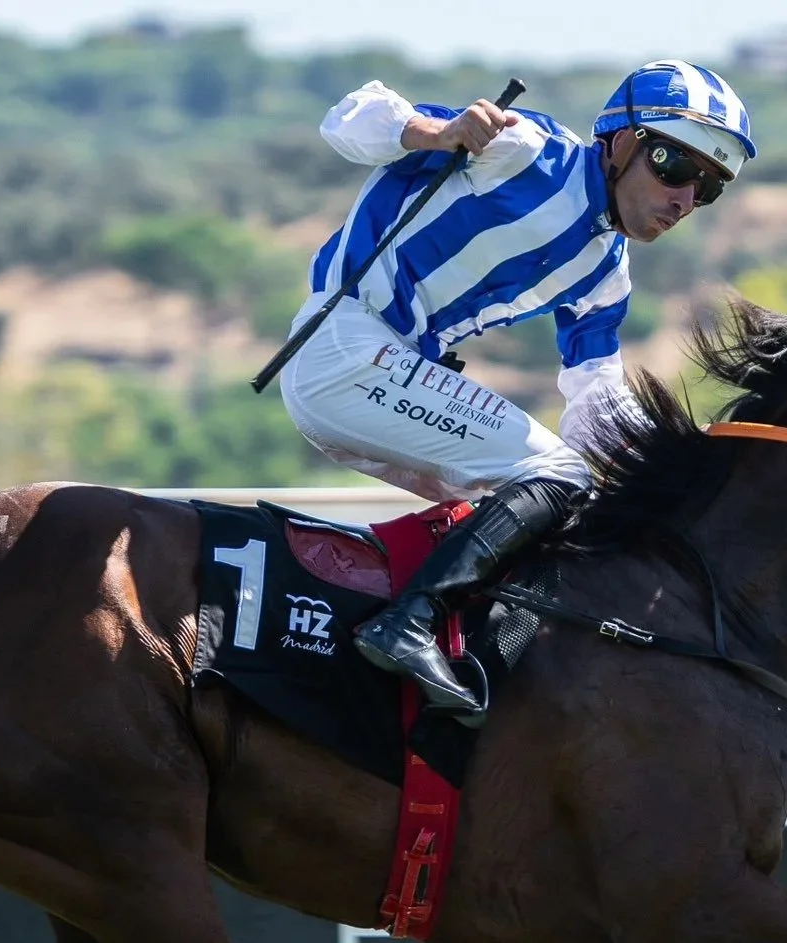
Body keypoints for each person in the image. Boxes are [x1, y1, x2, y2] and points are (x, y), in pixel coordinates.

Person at [278, 59, 757, 723]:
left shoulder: (605, 275)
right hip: (345, 347)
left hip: (380, 374)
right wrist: (431, 131)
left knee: (557, 507)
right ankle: (408, 623)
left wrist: (683, 486)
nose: (684, 198)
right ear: (620, 141)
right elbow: (350, 115)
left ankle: (470, 657)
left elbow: (596, 411)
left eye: (707, 188)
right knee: (554, 474)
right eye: (674, 167)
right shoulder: (529, 150)